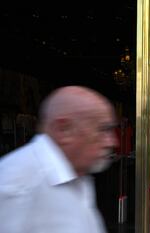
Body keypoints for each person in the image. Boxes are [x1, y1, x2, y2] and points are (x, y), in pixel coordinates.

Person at [0, 86, 118, 233]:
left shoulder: (78, 176)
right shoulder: (17, 184)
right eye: (102, 130)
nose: (112, 142)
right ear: (64, 130)